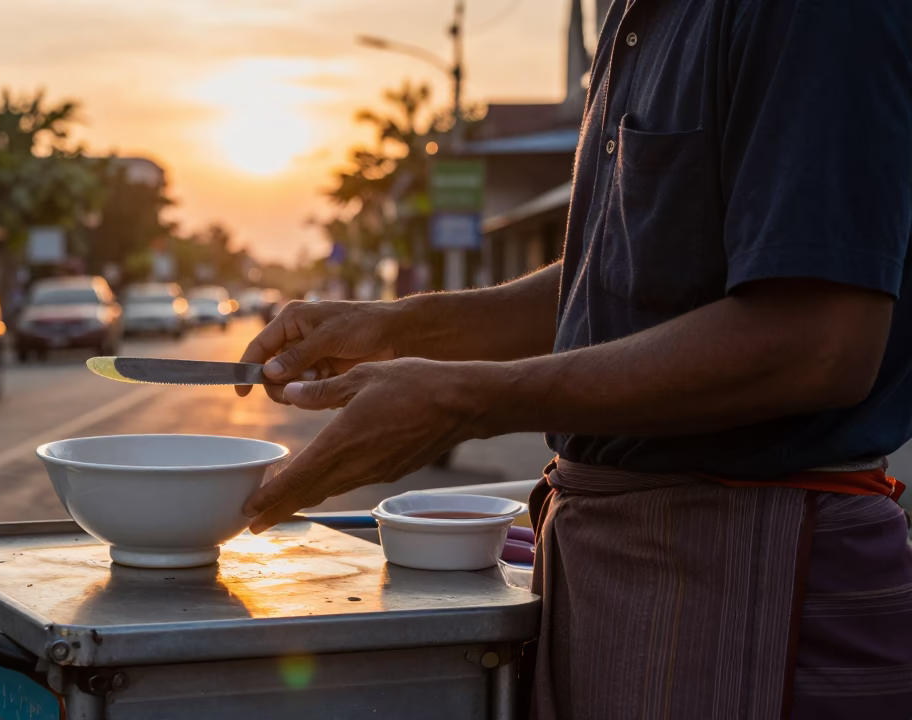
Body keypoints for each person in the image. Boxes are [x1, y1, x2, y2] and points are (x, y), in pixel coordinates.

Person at [235, 1, 912, 718]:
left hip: (758, 581)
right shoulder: (631, 15)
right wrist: (401, 326)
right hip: (617, 572)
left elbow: (818, 344)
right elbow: (612, 276)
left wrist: (469, 401)